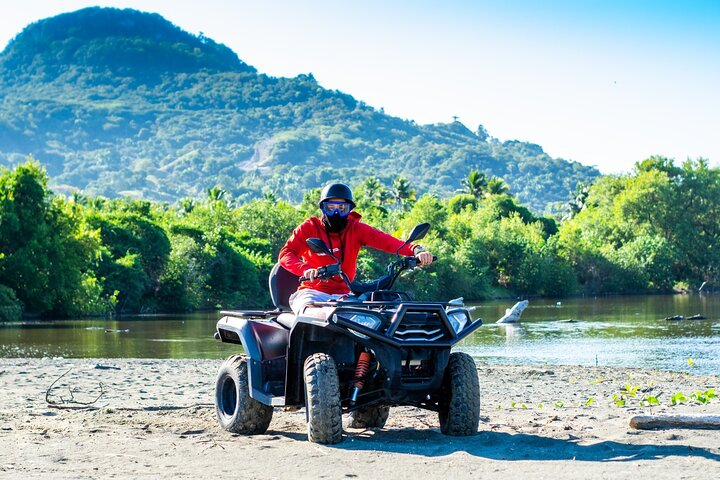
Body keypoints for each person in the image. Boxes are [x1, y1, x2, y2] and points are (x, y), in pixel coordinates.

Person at [279, 182, 434, 315]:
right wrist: (305, 269)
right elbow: (286, 254)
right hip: (312, 293)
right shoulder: (310, 228)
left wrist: (416, 250)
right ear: (323, 209)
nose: (336, 213)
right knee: (313, 314)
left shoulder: (356, 229)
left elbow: (388, 241)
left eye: (342, 208)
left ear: (350, 210)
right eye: (330, 208)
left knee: (376, 320)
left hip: (344, 296)